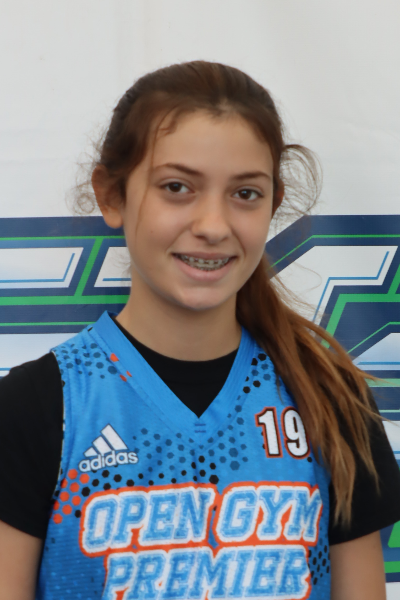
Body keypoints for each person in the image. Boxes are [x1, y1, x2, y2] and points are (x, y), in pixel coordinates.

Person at [0, 61, 399, 600]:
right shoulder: (37, 407)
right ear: (112, 195)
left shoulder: (329, 398)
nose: (213, 226)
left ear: (273, 204)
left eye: (245, 194)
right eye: (177, 187)